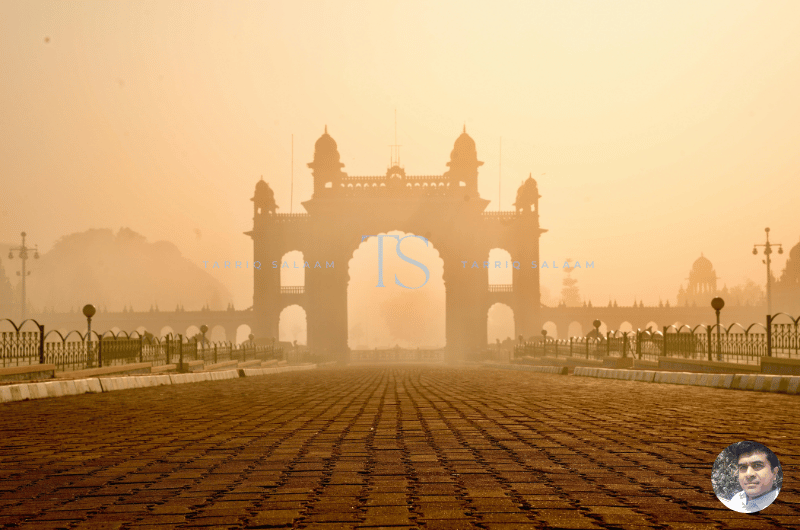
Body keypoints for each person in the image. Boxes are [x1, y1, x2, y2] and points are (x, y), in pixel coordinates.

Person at [719, 441, 781, 513]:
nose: (748, 474)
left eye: (757, 465)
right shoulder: (738, 498)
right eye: (743, 467)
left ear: (774, 473)